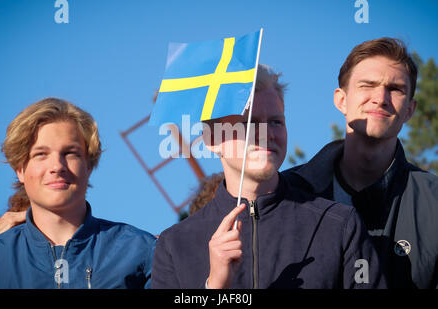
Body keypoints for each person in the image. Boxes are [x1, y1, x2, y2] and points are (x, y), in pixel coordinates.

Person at [151, 64, 386, 289]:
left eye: (275, 121)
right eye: (250, 123)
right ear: (213, 140)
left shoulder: (339, 225)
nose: (265, 134)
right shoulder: (174, 245)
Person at [282, 37, 438, 288]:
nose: (380, 98)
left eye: (395, 89)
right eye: (368, 85)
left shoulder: (434, 204)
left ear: (410, 110)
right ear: (341, 100)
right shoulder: (285, 195)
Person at [0, 98, 156, 289]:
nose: (57, 166)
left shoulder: (140, 251)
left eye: (71, 153)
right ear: (20, 169)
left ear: (89, 165)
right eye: (41, 154)